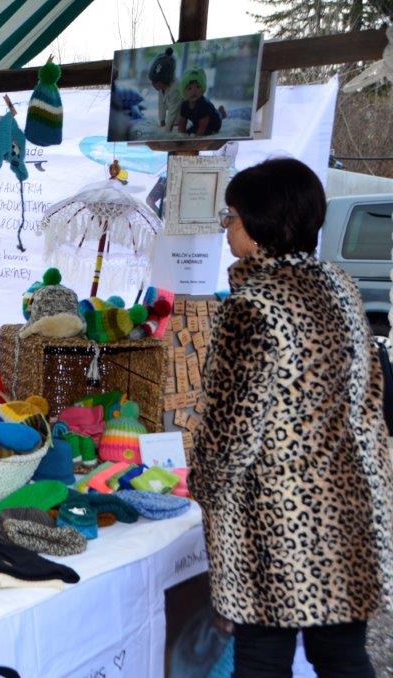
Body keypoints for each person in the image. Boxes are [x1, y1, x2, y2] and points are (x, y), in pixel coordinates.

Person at [190, 158, 393, 677]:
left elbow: (230, 434)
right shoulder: (339, 286)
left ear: (260, 226)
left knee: (262, 659)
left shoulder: (251, 307)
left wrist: (202, 488)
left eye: (232, 215)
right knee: (342, 655)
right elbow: (370, 397)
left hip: (275, 523)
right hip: (349, 509)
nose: (227, 227)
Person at [178, 67, 225, 136]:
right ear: (184, 92)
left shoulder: (204, 105)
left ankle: (220, 114)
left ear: (203, 89)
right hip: (198, 122)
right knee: (189, 131)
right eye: (189, 88)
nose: (194, 91)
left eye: (198, 87)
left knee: (204, 132)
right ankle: (220, 111)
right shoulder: (184, 105)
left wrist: (196, 138)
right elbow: (182, 123)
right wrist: (182, 135)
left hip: (213, 124)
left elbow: (202, 127)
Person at [148, 46, 181, 131]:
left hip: (181, 119)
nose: (153, 84)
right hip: (173, 119)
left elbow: (173, 111)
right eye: (152, 81)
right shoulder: (161, 87)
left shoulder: (176, 88)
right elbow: (161, 104)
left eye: (156, 81)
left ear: (165, 80)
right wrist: (162, 121)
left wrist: (166, 130)